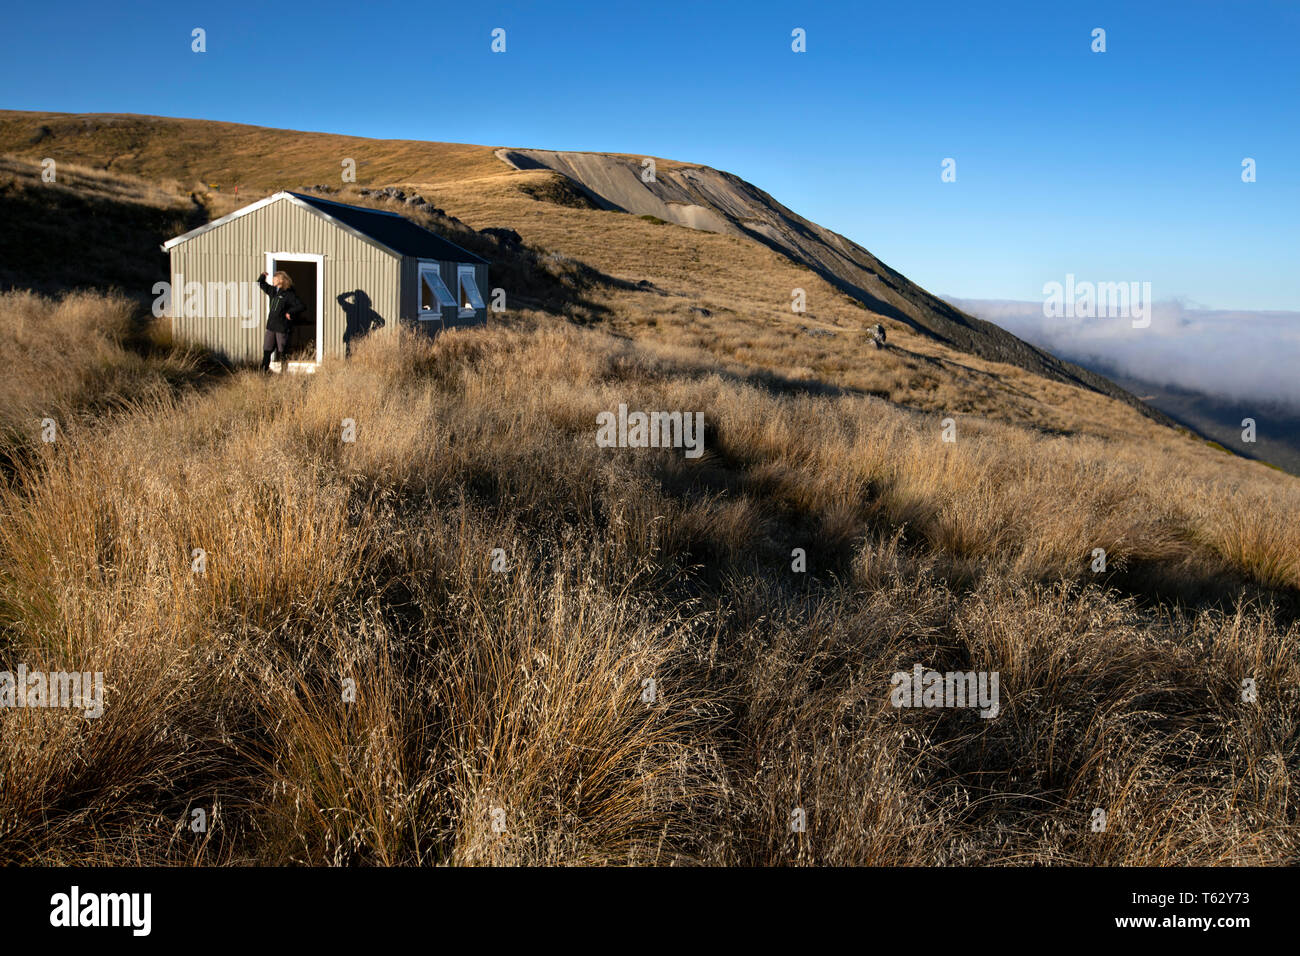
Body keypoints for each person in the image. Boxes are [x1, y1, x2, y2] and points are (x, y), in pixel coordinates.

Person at [257, 270, 306, 372]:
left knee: (283, 352)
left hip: (282, 327)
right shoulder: (273, 291)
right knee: (267, 350)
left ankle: (284, 374)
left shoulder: (289, 294)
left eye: (274, 278)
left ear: (281, 280)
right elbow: (260, 283)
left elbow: (301, 306)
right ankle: (262, 373)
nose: (272, 280)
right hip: (271, 326)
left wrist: (290, 312)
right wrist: (262, 276)